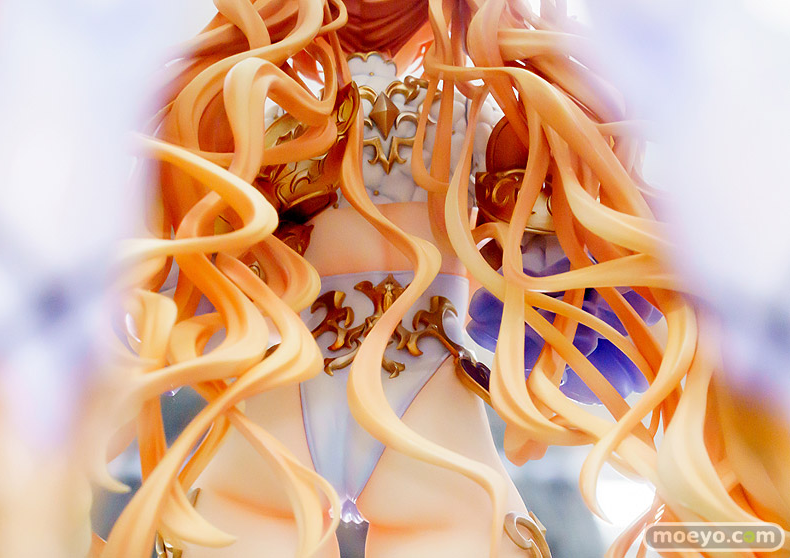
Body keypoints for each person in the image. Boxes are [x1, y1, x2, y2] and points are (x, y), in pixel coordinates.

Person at [92, 0, 790, 557]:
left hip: (375, 406)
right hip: (330, 405)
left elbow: (553, 243)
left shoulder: (457, 119)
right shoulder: (277, 118)